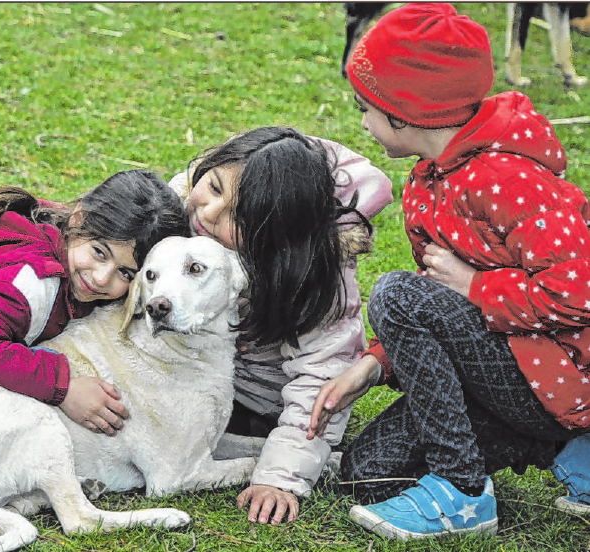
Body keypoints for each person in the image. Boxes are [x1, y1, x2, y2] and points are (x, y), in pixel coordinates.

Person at [308, 3, 590, 539]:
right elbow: (442, 315)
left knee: (394, 292)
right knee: (369, 474)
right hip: (507, 371)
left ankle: (462, 491)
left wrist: (477, 286)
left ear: (404, 112)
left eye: (363, 106)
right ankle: (569, 451)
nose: (360, 122)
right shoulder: (430, 179)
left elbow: (579, 291)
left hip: (561, 378)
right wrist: (373, 367)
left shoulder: (511, 179)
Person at [170, 126, 393, 525]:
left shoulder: (316, 278)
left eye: (239, 217)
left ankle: (261, 449)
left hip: (256, 401)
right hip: (189, 369)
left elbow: (321, 376)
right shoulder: (179, 207)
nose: (208, 213)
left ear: (277, 234)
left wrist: (280, 476)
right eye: (215, 187)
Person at [0, 170, 189, 436]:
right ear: (78, 218)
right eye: (100, 253)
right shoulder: (33, 283)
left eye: (125, 273)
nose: (102, 278)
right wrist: (62, 387)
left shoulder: (69, 252)